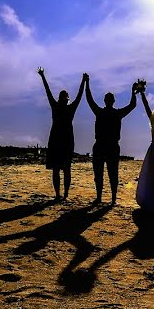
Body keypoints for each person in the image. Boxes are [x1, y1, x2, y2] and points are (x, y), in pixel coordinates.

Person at [84, 74, 138, 205]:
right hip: (107, 146)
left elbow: (89, 99)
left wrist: (87, 83)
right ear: (112, 101)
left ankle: (105, 198)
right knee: (108, 173)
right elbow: (132, 105)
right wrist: (133, 92)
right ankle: (109, 199)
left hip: (106, 146)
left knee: (105, 174)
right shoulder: (112, 113)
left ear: (107, 101)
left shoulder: (105, 112)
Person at [38, 67, 85, 201]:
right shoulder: (62, 107)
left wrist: (83, 81)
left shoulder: (64, 107)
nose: (64, 98)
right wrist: (42, 76)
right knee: (60, 169)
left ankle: (62, 194)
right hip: (60, 140)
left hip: (62, 140)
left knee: (62, 169)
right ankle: (61, 194)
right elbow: (48, 91)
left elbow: (79, 95)